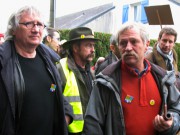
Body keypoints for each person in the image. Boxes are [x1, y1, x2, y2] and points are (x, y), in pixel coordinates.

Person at [82, 22, 180, 135]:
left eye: (134, 41)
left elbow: (176, 109)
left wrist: (171, 123)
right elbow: (92, 126)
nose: (128, 48)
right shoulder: (105, 81)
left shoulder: (163, 78)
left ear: (146, 44)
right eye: (123, 43)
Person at [0, 6, 72, 135]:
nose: (36, 29)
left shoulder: (49, 60)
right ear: (14, 29)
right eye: (28, 24)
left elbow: (53, 90)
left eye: (39, 24)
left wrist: (66, 115)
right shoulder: (3, 63)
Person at [56, 27, 100, 134]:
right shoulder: (60, 68)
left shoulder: (91, 72)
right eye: (88, 45)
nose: (93, 50)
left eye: (93, 45)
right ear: (75, 48)